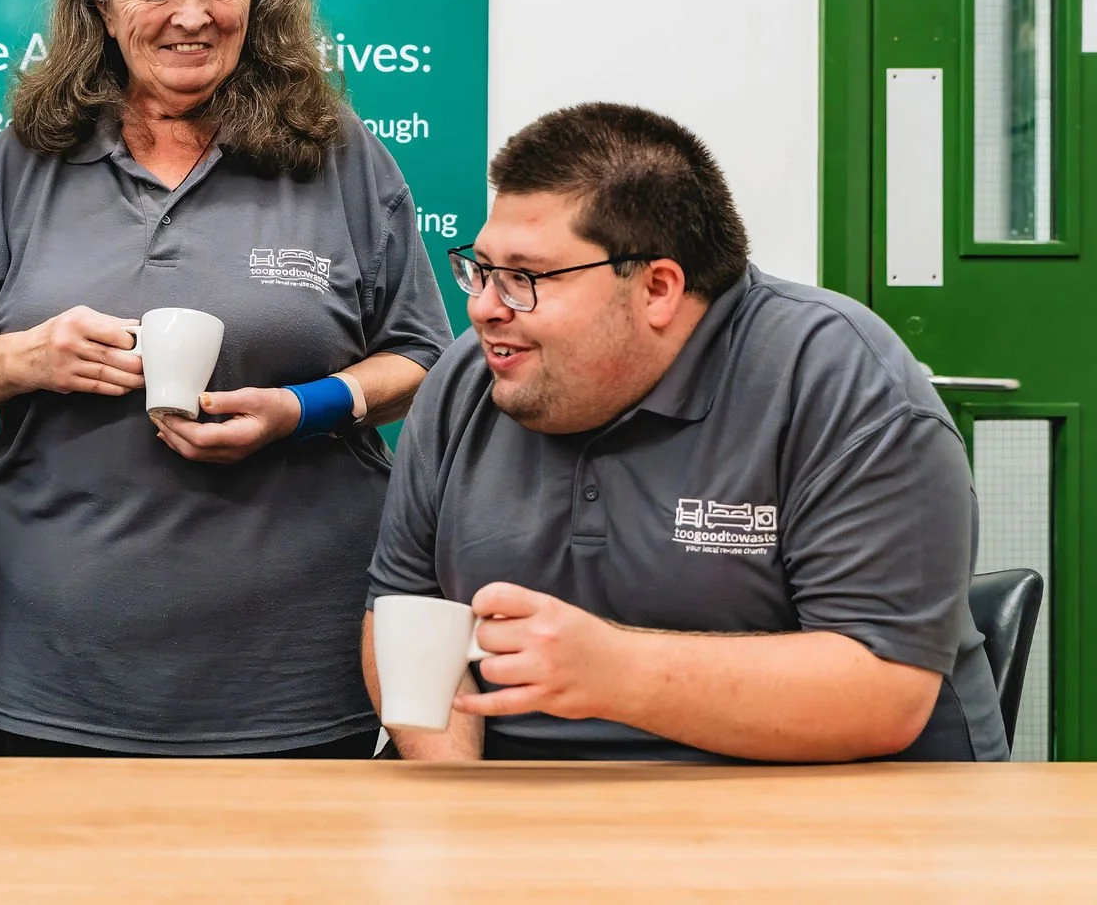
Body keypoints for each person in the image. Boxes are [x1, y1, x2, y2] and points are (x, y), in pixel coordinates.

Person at [0, 0, 453, 756]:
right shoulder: (24, 161)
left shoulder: (336, 154)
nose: (192, 16)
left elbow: (426, 357)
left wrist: (303, 409)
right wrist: (25, 358)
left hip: (294, 669)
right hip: (55, 668)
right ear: (102, 5)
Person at [365, 103, 1009, 762]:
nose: (483, 307)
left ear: (658, 289)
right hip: (519, 807)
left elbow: (883, 693)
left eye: (525, 278)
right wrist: (460, 797)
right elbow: (402, 620)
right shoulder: (466, 383)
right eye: (481, 269)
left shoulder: (836, 380)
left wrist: (612, 669)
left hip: (819, 803)